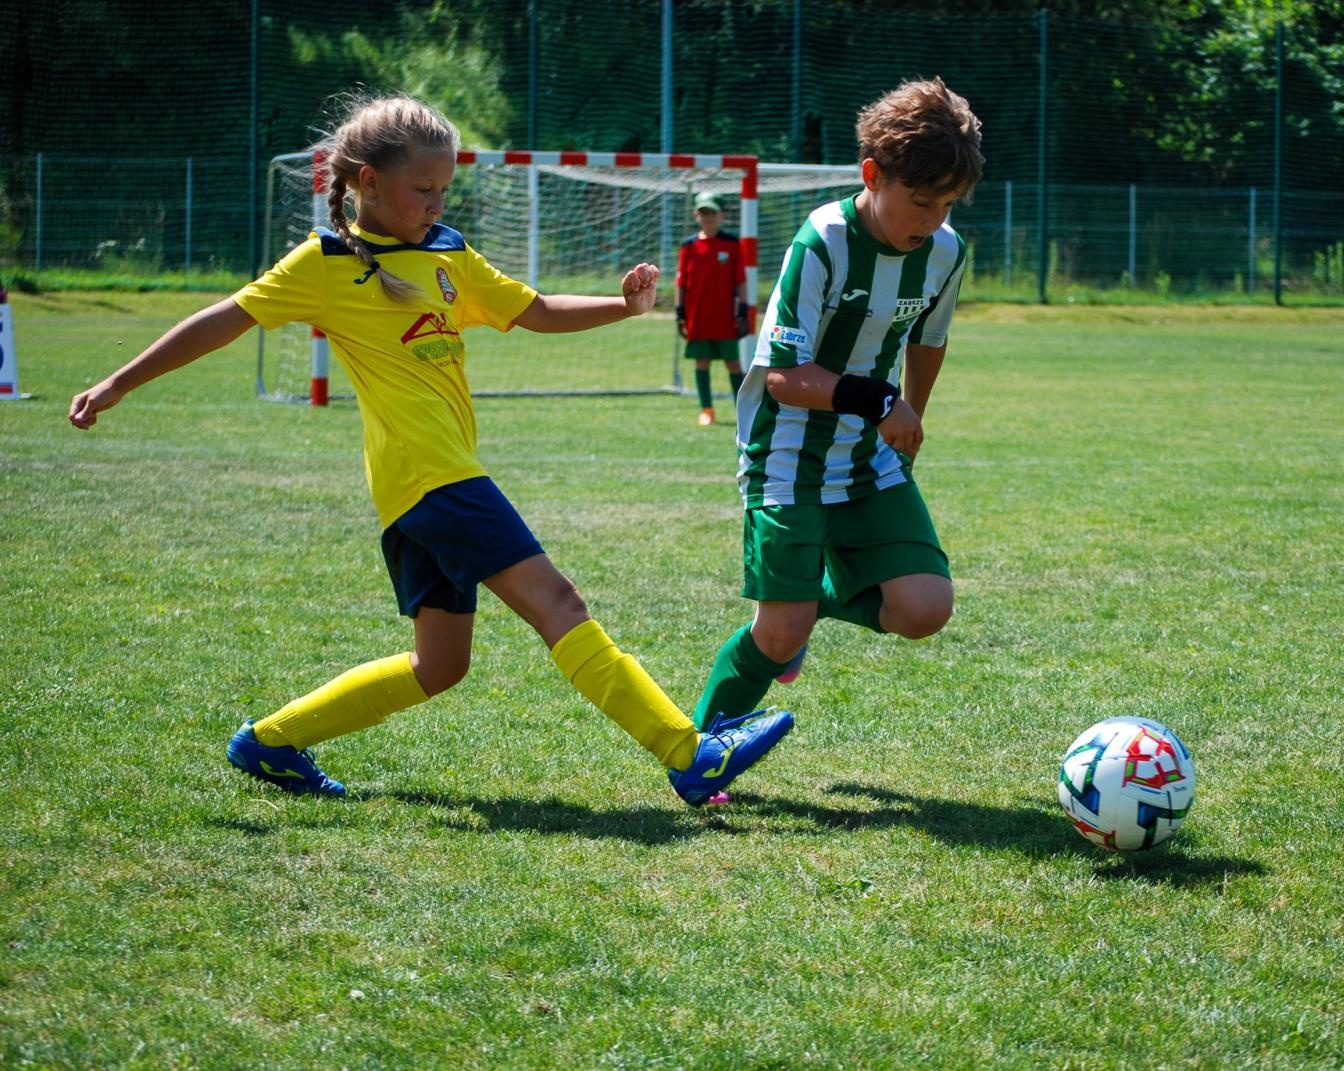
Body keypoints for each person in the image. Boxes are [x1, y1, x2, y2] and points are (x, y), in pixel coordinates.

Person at [67, 94, 792, 806]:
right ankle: (687, 752)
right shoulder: (324, 263)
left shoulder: (449, 254)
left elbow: (533, 310)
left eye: (445, 188)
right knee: (558, 603)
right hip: (433, 479)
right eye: (423, 189)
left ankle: (270, 741)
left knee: (440, 664)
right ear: (367, 183)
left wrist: (623, 306)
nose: (437, 203)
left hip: (419, 489)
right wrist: (118, 382)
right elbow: (223, 320)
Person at [691, 77, 984, 734]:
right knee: (776, 634)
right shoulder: (821, 240)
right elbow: (784, 379)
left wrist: (911, 414)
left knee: (925, 607)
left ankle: (812, 603)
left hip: (869, 453)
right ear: (872, 174)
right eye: (920, 200)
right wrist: (881, 400)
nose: (934, 218)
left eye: (949, 203)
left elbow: (929, 339)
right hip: (788, 452)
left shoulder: (946, 251)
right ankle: (699, 752)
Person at [676, 193, 748, 426]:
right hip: (698, 317)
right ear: (696, 215)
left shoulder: (731, 244)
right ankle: (706, 410)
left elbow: (740, 281)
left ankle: (743, 410)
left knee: (734, 364)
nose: (708, 218)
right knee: (702, 362)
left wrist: (744, 311)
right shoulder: (689, 246)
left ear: (722, 215)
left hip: (725, 317)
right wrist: (680, 313)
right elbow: (681, 284)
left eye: (712, 213)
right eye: (703, 213)